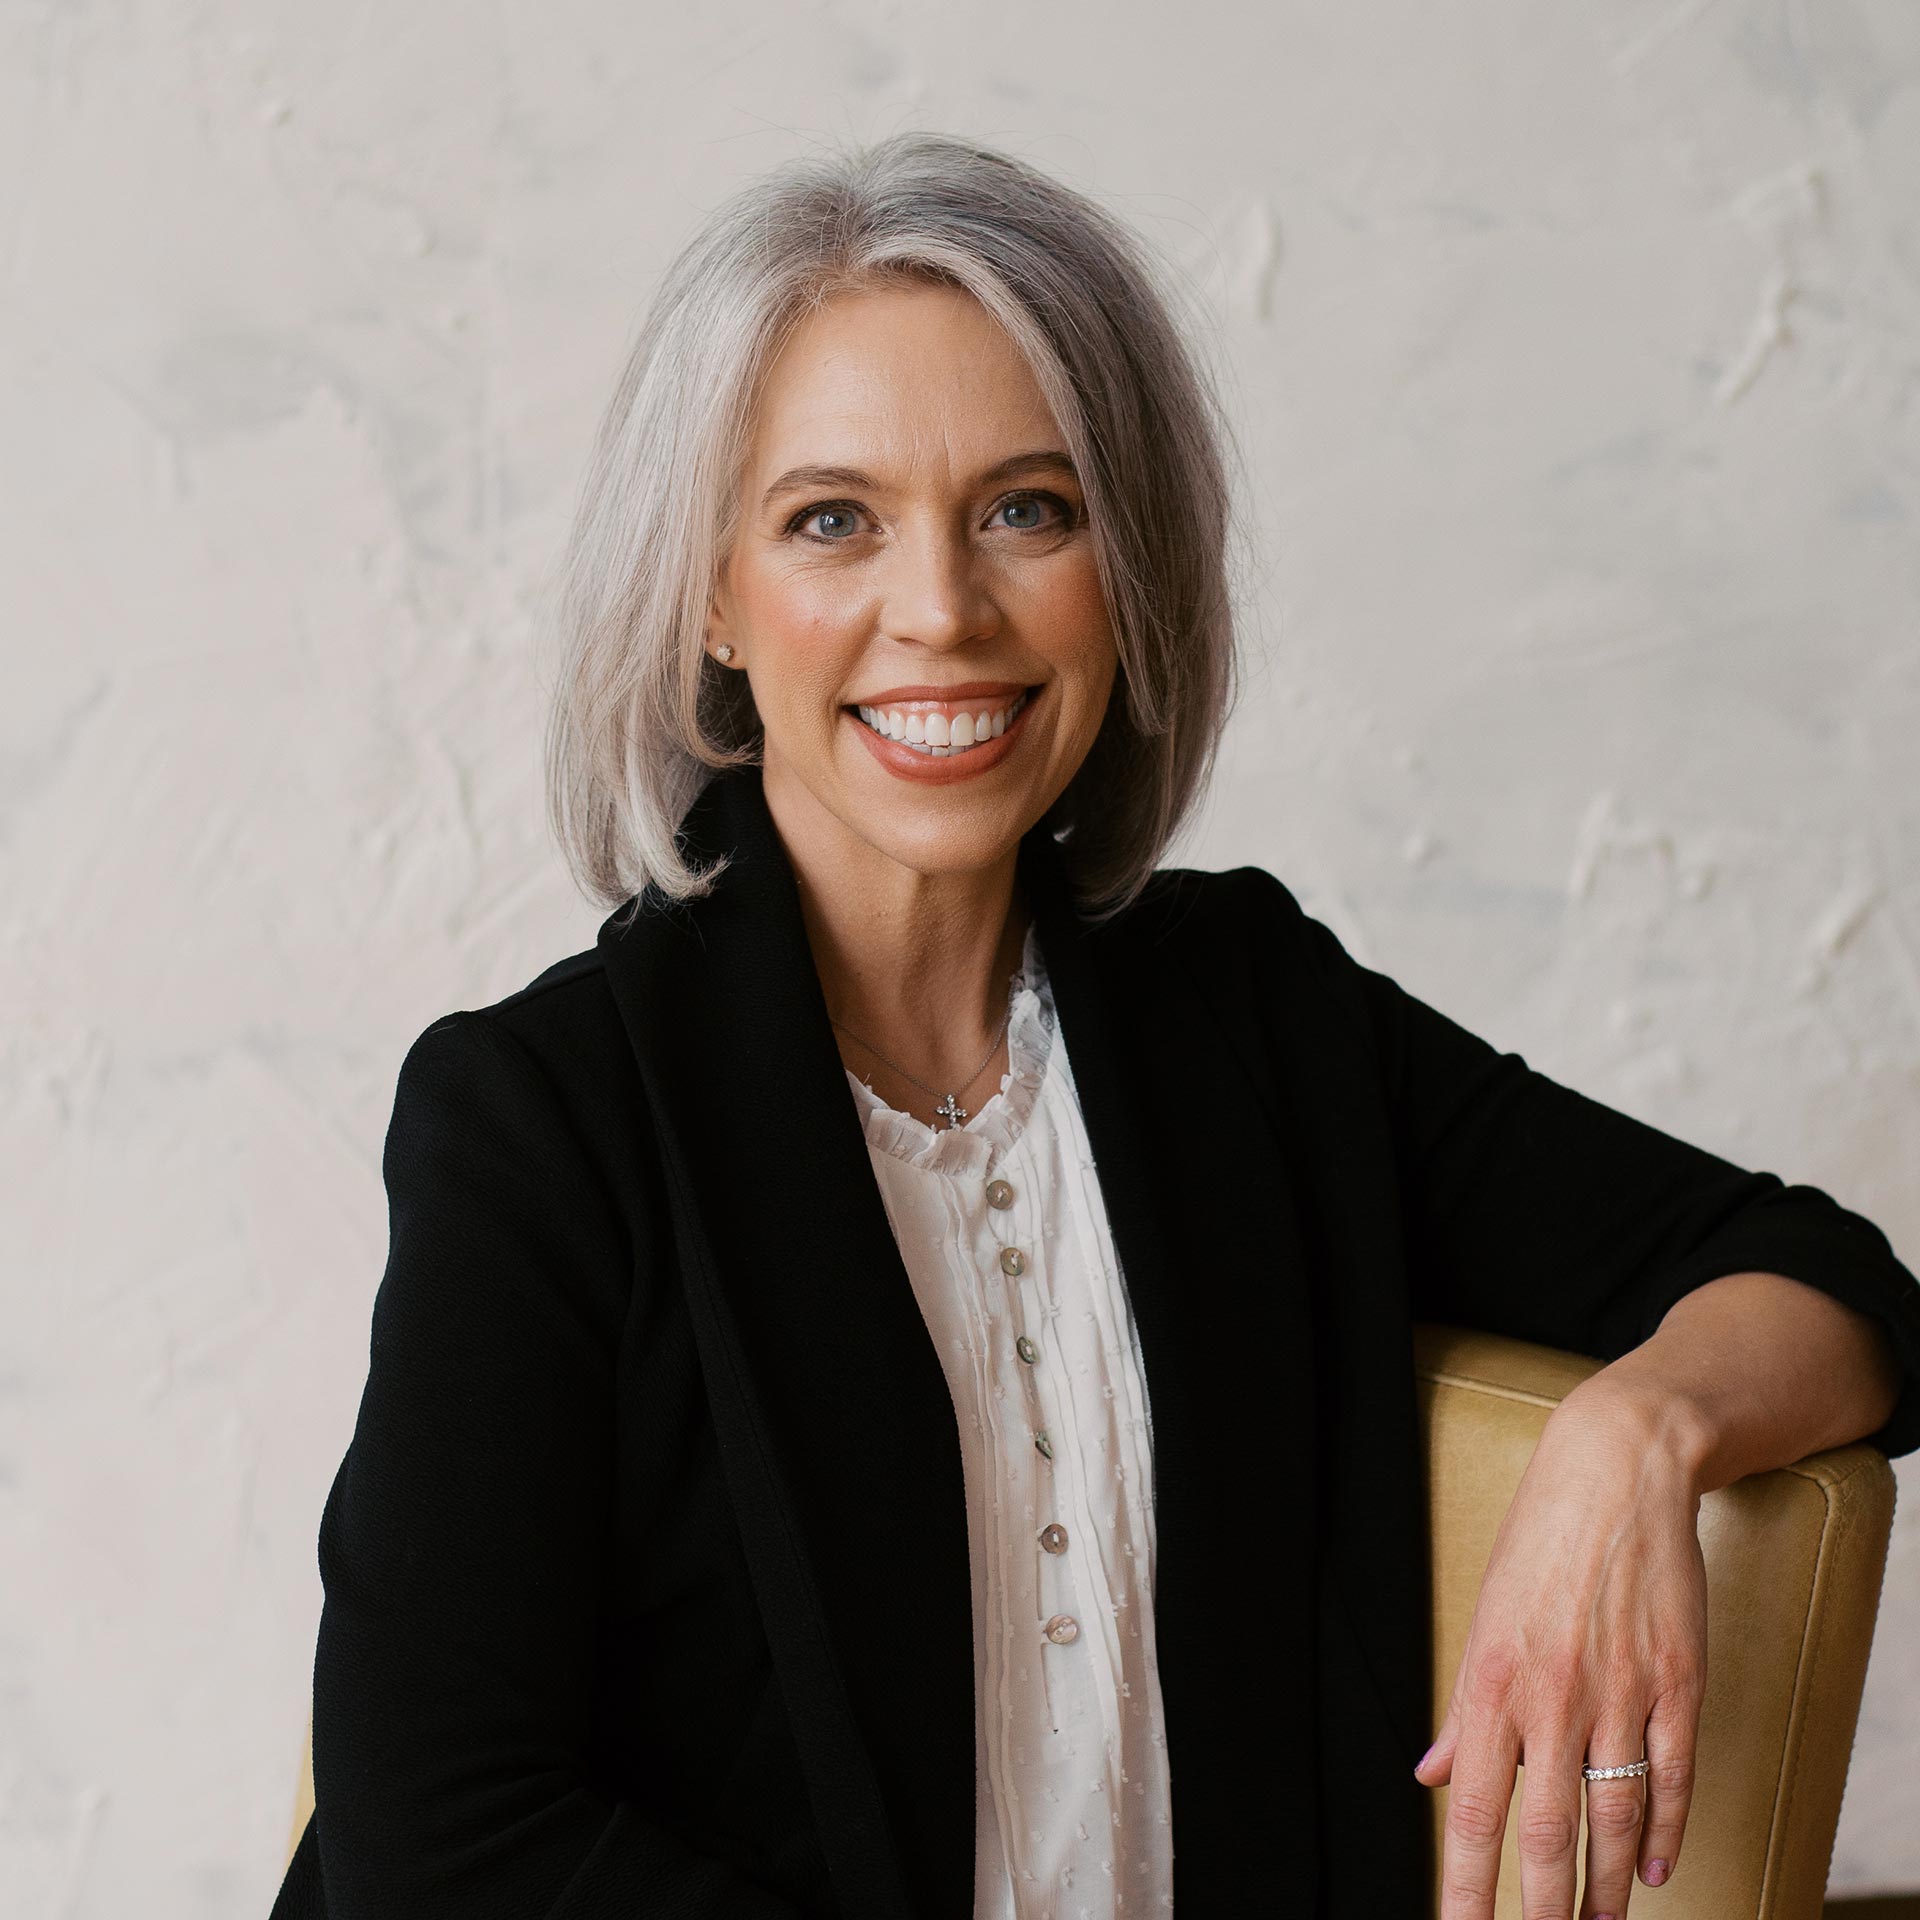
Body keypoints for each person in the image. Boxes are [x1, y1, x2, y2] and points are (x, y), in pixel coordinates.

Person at [269, 131, 1920, 1920]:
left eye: (1027, 508)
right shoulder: (543, 1120)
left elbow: (1833, 1286)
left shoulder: (1254, 1023)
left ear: (1123, 571)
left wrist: (1638, 1438)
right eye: (833, 520)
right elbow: (435, 1835)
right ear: (711, 604)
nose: (944, 612)